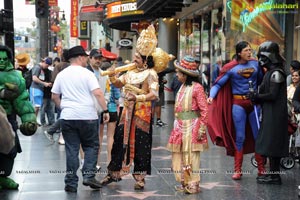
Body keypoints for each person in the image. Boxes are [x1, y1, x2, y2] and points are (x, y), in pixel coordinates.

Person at [100, 25, 159, 190]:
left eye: (138, 58)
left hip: (142, 114)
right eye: (135, 57)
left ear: (146, 60)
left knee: (141, 145)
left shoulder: (151, 74)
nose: (134, 60)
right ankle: (113, 173)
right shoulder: (131, 72)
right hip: (126, 112)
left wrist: (137, 97)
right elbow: (119, 83)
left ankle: (140, 177)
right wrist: (112, 76)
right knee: (119, 140)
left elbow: (154, 94)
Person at [51, 45, 109, 192]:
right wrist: (105, 110)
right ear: (80, 57)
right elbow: (98, 93)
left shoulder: (62, 75)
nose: (87, 59)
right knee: (91, 146)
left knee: (72, 149)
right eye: (86, 57)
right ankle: (89, 175)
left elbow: (54, 96)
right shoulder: (87, 74)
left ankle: (70, 183)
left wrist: (63, 108)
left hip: (68, 117)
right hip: (88, 116)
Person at [207, 41, 265, 180]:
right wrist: (211, 96)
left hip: (253, 104)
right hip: (238, 104)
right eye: (246, 50)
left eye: (250, 50)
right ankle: (238, 170)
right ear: (239, 52)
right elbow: (218, 84)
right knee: (240, 137)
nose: (249, 52)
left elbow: (263, 81)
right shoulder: (231, 68)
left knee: (258, 136)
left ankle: (261, 169)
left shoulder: (256, 64)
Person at [167, 55, 208, 194]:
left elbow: (204, 110)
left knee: (192, 156)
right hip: (180, 125)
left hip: (193, 126)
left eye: (178, 72)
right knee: (180, 154)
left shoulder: (197, 88)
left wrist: (201, 128)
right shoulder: (183, 86)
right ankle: (185, 182)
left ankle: (193, 183)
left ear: (186, 75)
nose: (177, 74)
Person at [0, 45, 37, 190]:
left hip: (8, 120)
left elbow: (22, 100)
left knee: (10, 150)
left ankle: (2, 176)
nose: (2, 61)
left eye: (4, 59)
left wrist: (29, 119)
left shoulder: (15, 77)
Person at [252, 41, 289, 185]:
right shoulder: (270, 73)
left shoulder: (276, 73)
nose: (261, 61)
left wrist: (257, 96)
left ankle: (275, 176)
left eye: (264, 57)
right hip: (270, 112)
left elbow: (272, 95)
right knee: (270, 144)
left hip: (276, 114)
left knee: (274, 145)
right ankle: (273, 175)